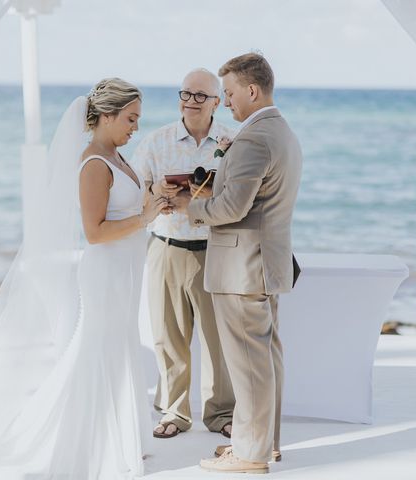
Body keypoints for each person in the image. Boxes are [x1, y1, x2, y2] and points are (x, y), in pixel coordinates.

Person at [0, 78, 169, 479]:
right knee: (99, 351)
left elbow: (129, 214)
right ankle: (92, 443)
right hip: (105, 274)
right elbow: (96, 232)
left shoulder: (118, 157)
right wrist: (145, 217)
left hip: (125, 272)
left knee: (119, 348)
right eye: (130, 119)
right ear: (107, 116)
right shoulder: (94, 163)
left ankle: (122, 436)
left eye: (138, 120)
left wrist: (156, 201)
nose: (136, 127)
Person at [171, 53, 303, 474]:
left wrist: (188, 206)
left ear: (251, 90)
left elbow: (231, 207)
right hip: (266, 263)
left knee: (249, 366)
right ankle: (265, 444)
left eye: (228, 93)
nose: (226, 102)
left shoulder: (254, 137)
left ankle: (249, 453)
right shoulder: (281, 131)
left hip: (243, 267)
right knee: (266, 360)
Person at [133, 68, 235, 440]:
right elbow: (135, 195)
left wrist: (206, 195)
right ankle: (175, 412)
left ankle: (222, 412)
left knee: (218, 339)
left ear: (217, 101)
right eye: (186, 94)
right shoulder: (155, 141)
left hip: (215, 249)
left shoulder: (232, 140)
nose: (191, 102)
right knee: (168, 336)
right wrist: (155, 189)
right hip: (167, 247)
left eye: (200, 96)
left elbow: (242, 197)